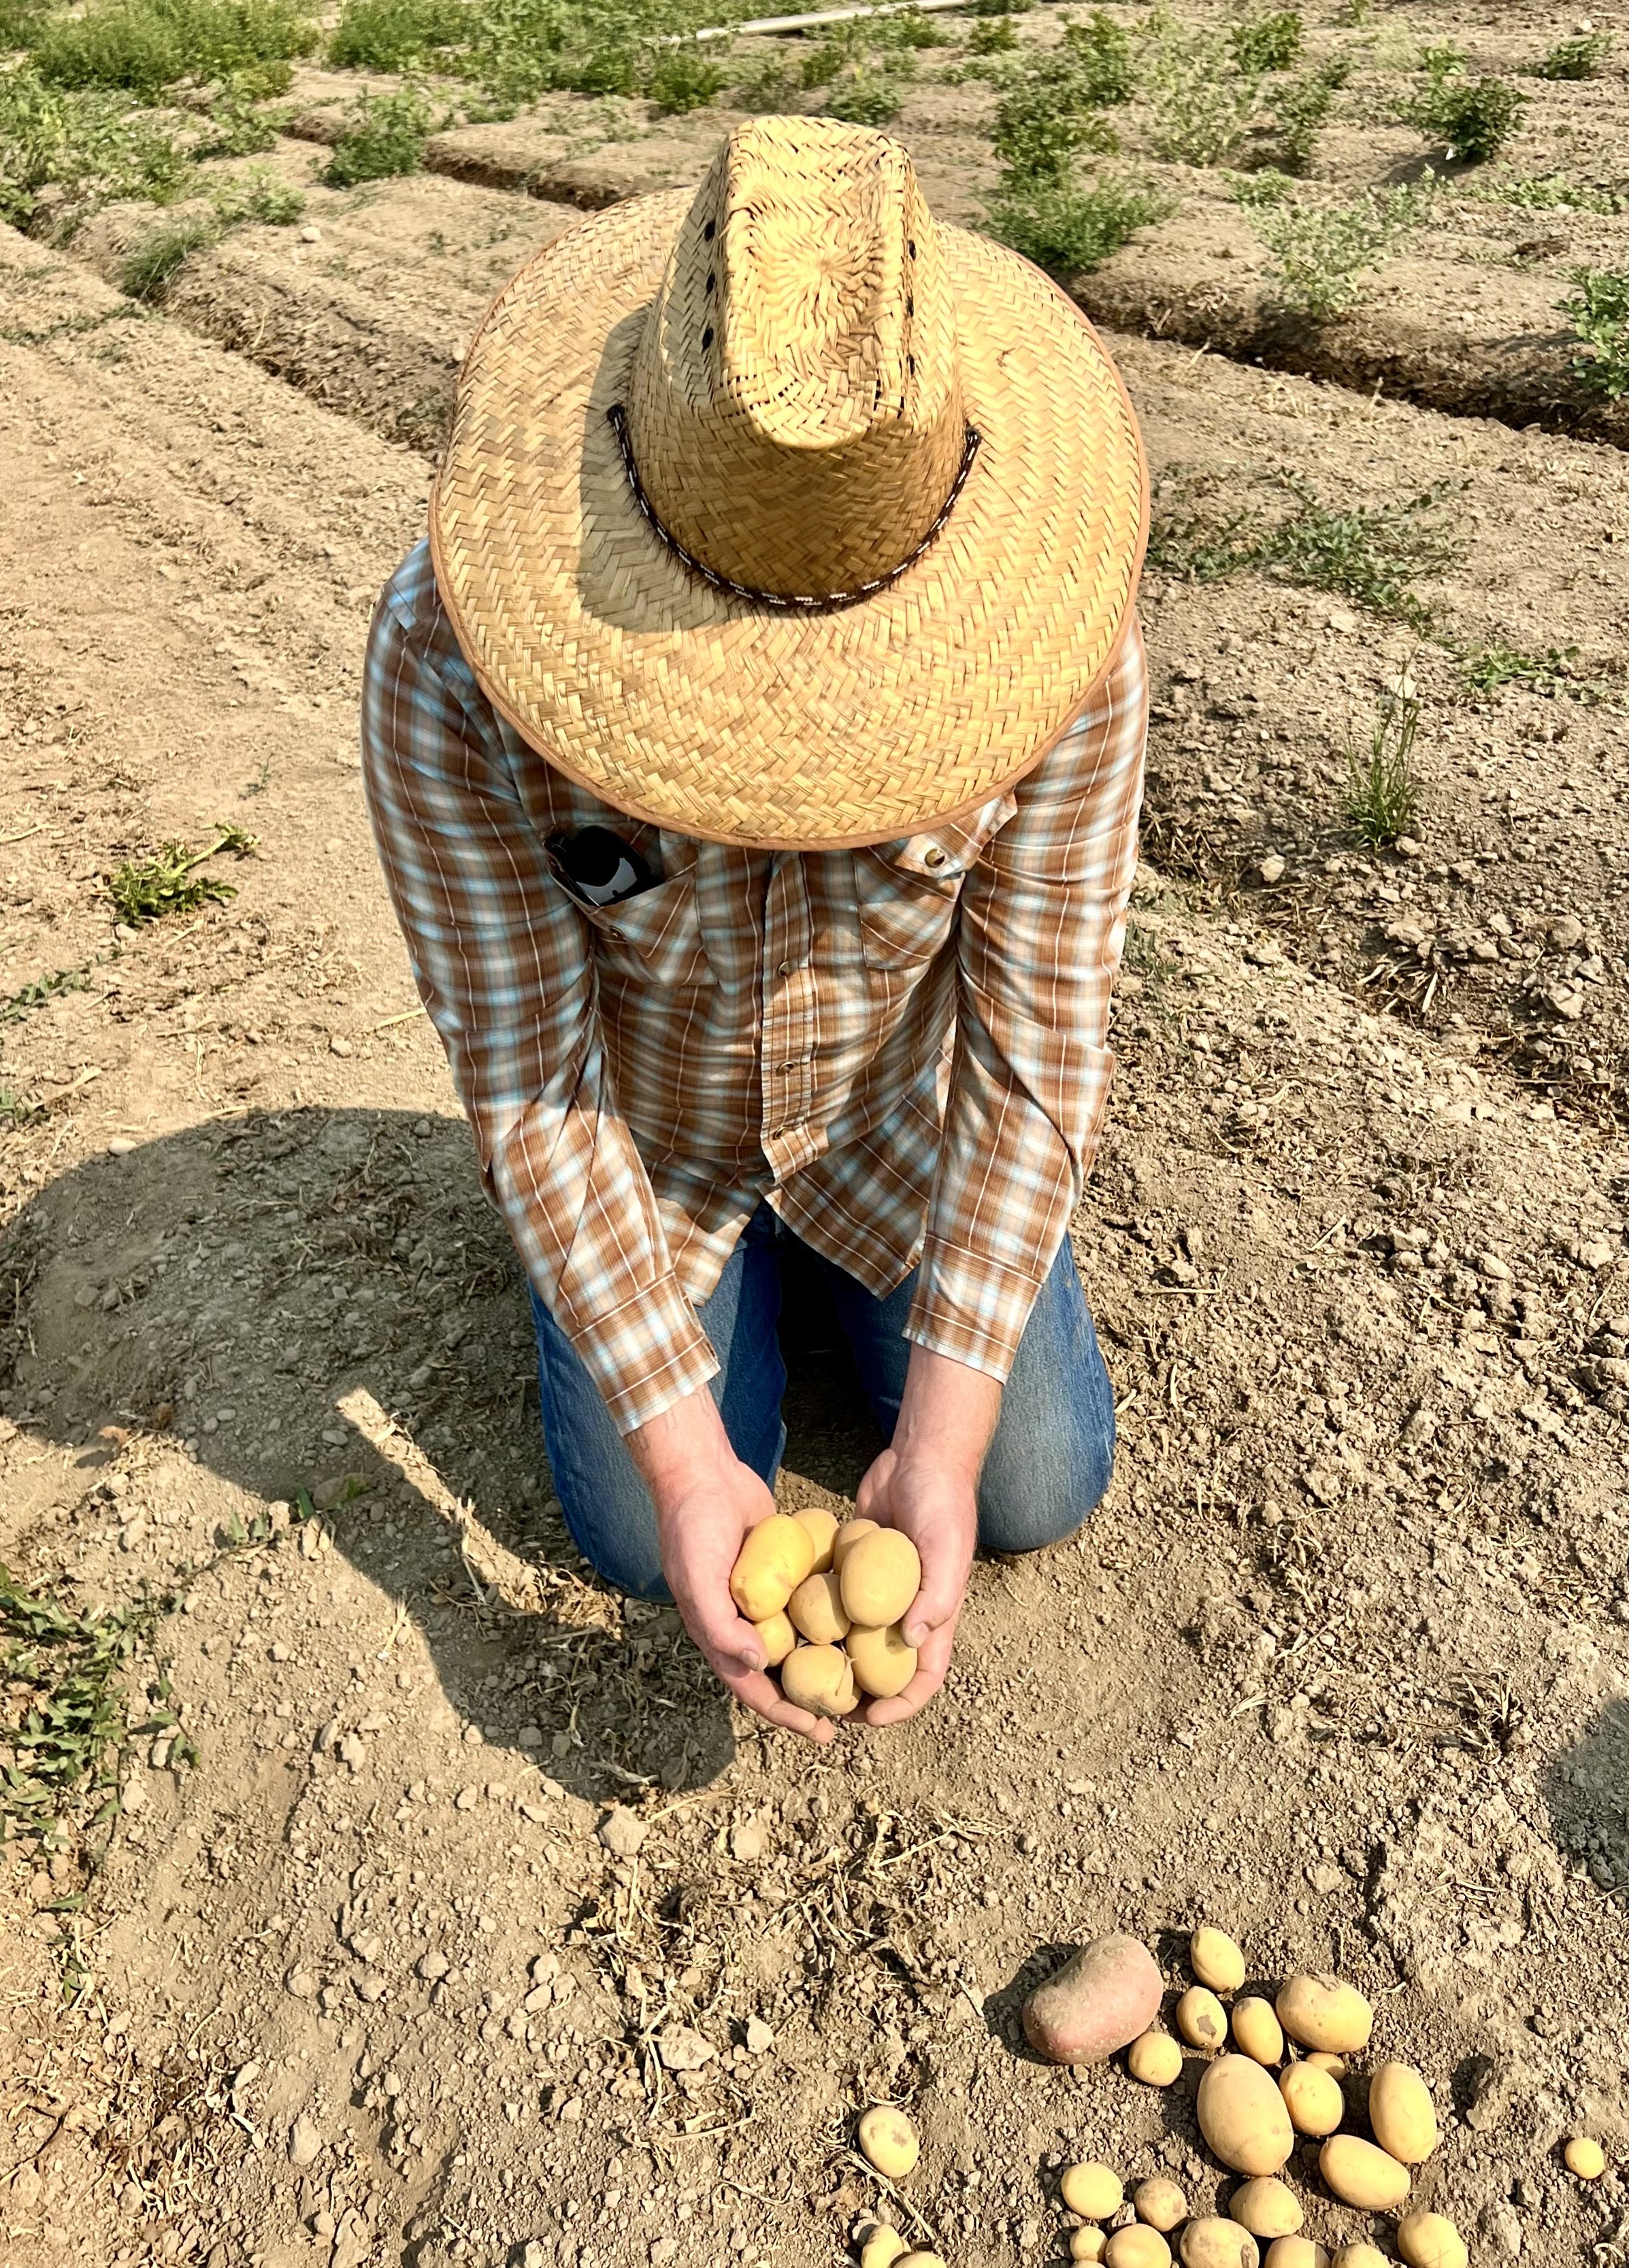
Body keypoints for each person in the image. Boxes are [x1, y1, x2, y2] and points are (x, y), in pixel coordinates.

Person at [361, 116, 1149, 1745]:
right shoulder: (449, 665)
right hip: (646, 1146)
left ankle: (820, 1306)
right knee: (644, 1541)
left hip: (893, 1132)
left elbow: (1034, 1046)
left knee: (1030, 1483)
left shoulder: (1065, 654)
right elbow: (528, 1069)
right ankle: (712, 1309)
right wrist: (678, 1449)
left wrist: (933, 1447)